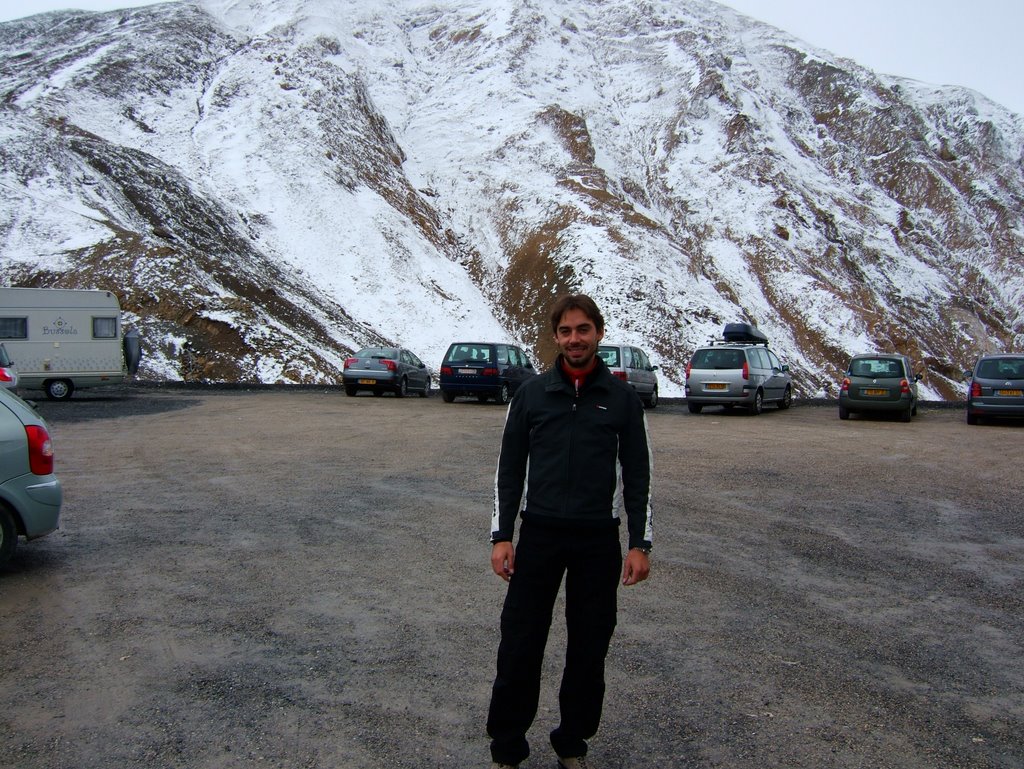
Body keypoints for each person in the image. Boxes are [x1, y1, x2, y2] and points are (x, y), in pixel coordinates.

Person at [486, 294, 654, 769]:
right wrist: (501, 536)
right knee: (520, 641)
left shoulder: (621, 400)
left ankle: (572, 743)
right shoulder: (531, 396)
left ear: (598, 332)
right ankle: (507, 747)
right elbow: (509, 469)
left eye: (583, 329)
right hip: (538, 535)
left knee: (589, 645)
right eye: (565, 331)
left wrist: (640, 544)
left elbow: (639, 475)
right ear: (556, 337)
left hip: (597, 539)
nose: (574, 339)